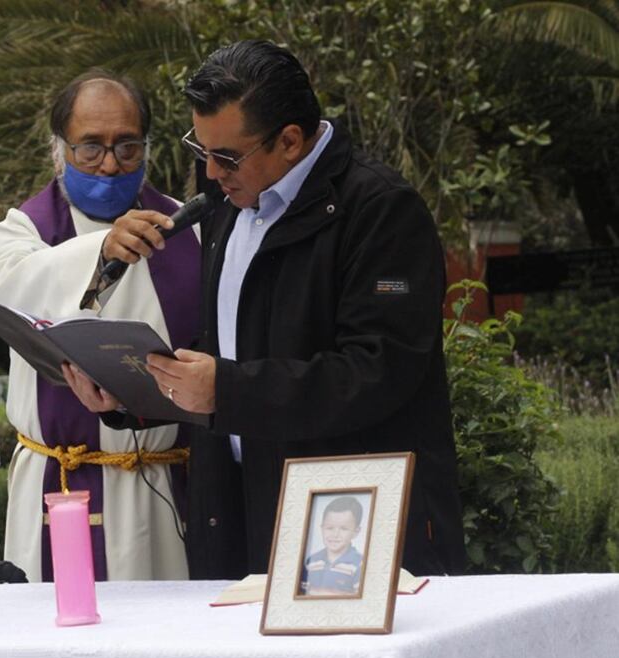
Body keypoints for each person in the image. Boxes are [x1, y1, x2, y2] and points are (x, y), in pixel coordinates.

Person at [63, 40, 466, 579]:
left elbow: (378, 371)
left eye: (226, 156)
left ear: (291, 141)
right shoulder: (229, 208)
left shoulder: (382, 211)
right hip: (232, 516)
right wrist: (134, 390)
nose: (209, 172)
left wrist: (225, 389)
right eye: (199, 149)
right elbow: (227, 347)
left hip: (342, 520)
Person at [0, 70, 201, 582]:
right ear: (58, 149)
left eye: (127, 146)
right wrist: (100, 251)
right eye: (91, 148)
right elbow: (10, 293)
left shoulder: (189, 228)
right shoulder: (27, 229)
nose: (109, 164)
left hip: (168, 483)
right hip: (61, 486)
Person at [300, 496, 365, 596]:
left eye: (344, 529)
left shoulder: (360, 564)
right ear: (322, 528)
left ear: (356, 532)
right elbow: (301, 595)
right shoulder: (311, 562)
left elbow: (362, 602)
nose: (335, 534)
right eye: (329, 528)